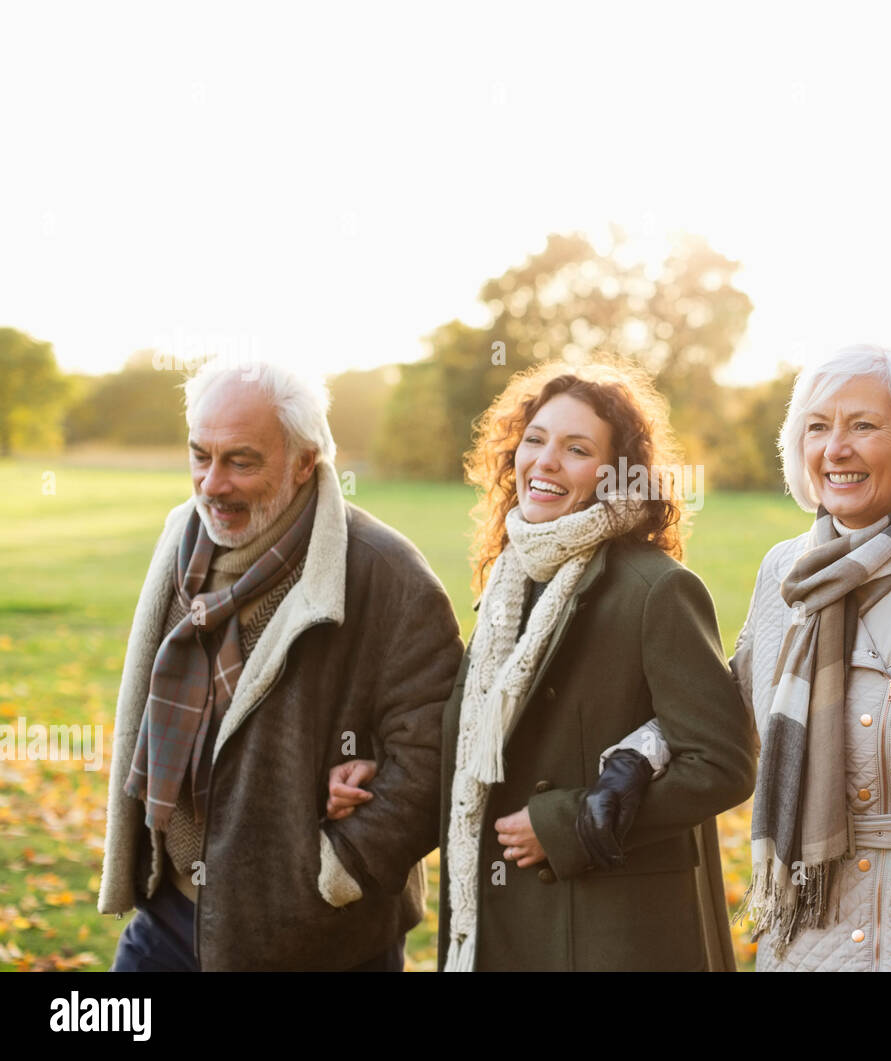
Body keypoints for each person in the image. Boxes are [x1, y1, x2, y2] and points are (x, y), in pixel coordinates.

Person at [330, 358, 756, 971]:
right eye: (535, 439)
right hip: (508, 924)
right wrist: (378, 772)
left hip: (609, 935)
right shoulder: (510, 584)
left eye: (576, 448)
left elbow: (722, 762)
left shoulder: (655, 590)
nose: (546, 461)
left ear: (615, 474)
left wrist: (572, 823)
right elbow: (483, 744)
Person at [98, 359, 463, 971]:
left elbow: (437, 750)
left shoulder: (385, 572)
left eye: (241, 460)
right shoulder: (180, 536)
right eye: (199, 456)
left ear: (304, 461)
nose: (212, 484)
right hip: (171, 914)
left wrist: (341, 868)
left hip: (317, 936)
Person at [730, 344, 891, 971]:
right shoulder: (784, 571)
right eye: (817, 427)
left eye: (864, 426)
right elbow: (724, 704)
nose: (835, 448)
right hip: (802, 931)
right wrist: (642, 753)